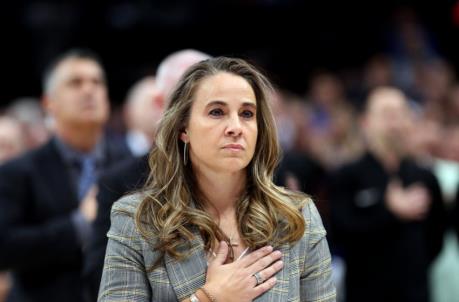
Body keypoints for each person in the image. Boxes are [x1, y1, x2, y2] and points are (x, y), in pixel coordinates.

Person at [98, 57, 336, 301]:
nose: (235, 127)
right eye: (216, 112)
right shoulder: (136, 220)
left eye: (246, 113)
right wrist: (207, 297)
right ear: (183, 129)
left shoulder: (297, 216)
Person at [0, 49, 130, 302]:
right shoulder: (18, 171)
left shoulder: (131, 162)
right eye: (75, 83)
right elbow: (4, 247)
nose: (89, 90)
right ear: (49, 102)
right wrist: (79, 226)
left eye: (97, 82)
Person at [84, 49, 212, 300]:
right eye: (186, 98)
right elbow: (102, 280)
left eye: (215, 105)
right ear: (159, 103)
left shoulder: (263, 175)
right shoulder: (120, 183)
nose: (198, 110)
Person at [330, 87, 446, 302]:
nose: (394, 122)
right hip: (366, 292)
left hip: (415, 293)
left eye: (400, 113)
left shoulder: (425, 176)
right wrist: (389, 212)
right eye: (386, 114)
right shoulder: (346, 176)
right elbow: (338, 234)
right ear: (366, 122)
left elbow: (436, 239)